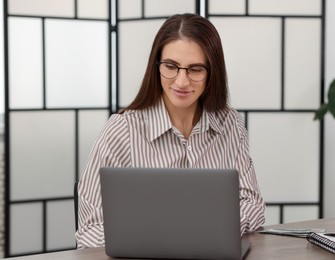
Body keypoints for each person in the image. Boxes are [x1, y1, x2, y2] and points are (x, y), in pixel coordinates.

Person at [75, 13, 266, 248]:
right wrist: (160, 240)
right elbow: (89, 229)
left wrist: (207, 231)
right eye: (171, 66)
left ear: (212, 72)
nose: (182, 81)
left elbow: (252, 203)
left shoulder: (231, 124)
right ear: (156, 66)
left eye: (195, 69)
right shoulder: (121, 131)